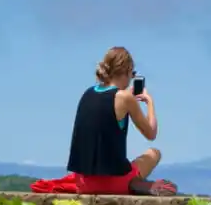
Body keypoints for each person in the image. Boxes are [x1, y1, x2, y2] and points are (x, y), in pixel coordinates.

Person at [65, 46, 177, 195]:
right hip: (112, 184)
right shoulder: (125, 97)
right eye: (132, 74)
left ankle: (132, 181)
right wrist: (149, 102)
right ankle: (133, 182)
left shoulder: (87, 93)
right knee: (154, 153)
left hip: (82, 183)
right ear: (127, 71)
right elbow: (151, 133)